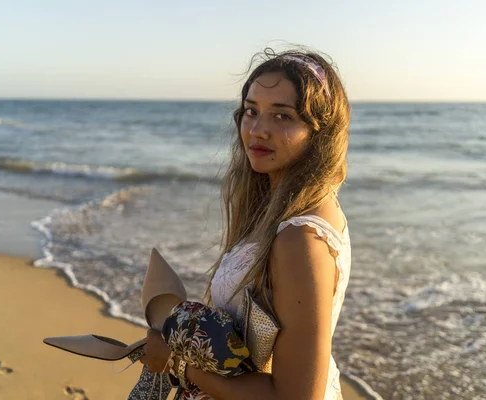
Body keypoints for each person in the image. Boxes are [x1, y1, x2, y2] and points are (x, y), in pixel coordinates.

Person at [140, 48, 351, 400]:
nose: (258, 130)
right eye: (251, 111)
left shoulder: (300, 238)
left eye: (282, 117)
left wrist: (177, 364)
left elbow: (296, 397)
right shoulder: (286, 207)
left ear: (319, 132)